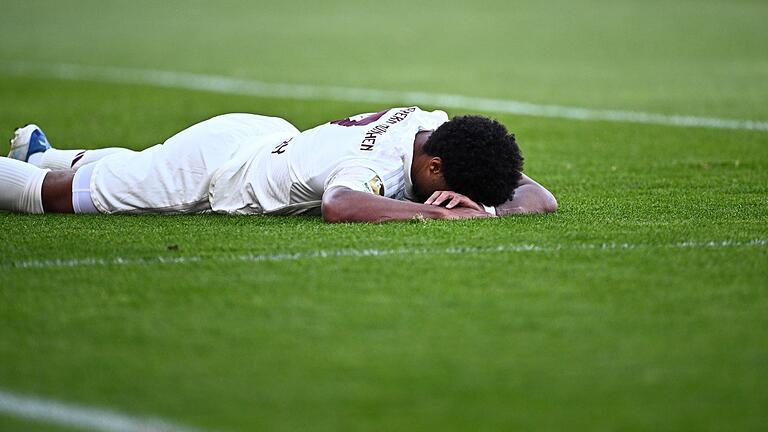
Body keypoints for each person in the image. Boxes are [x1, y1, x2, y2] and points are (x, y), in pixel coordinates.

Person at [0, 107, 556, 223]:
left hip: (264, 135)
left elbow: (539, 196)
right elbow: (341, 206)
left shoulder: (436, 125)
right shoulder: (374, 170)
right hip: (213, 173)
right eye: (454, 190)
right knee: (56, 197)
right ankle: (39, 170)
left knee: (139, 165)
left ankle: (38, 152)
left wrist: (487, 208)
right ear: (433, 168)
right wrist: (439, 217)